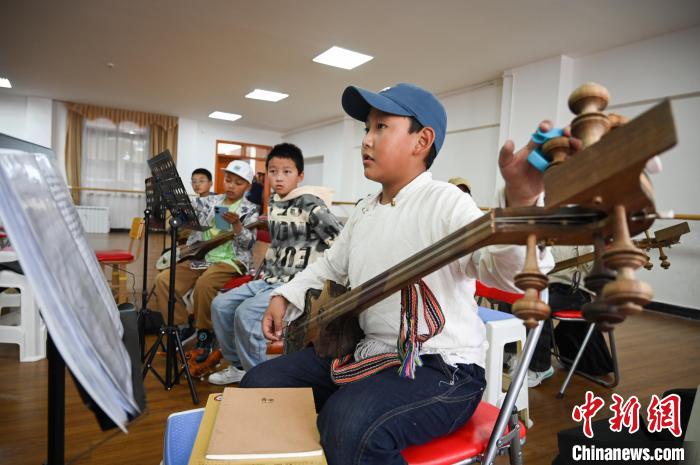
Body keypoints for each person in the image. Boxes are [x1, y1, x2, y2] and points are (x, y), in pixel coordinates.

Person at [237, 83, 572, 465]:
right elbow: (330, 265)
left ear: (422, 141)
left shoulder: (447, 201)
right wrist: (285, 295)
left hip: (442, 367)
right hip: (369, 353)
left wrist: (522, 201)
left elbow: (504, 272)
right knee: (259, 384)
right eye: (367, 128)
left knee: (347, 424)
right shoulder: (365, 210)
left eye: (381, 127)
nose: (367, 140)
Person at [208, 143, 343, 384]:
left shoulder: (310, 203)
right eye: (273, 171)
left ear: (300, 175)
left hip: (296, 283)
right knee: (220, 305)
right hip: (269, 278)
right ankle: (239, 366)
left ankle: (263, 380)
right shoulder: (274, 201)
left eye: (286, 172)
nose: (279, 178)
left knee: (246, 314)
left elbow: (341, 242)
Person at [153, 160, 258, 364]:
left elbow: (248, 244)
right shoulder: (210, 201)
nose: (231, 186)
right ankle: (182, 328)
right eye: (228, 180)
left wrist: (237, 225)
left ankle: (204, 335)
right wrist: (174, 202)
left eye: (238, 183)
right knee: (164, 280)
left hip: (230, 260)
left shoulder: (250, 209)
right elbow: (186, 211)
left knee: (204, 285)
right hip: (202, 257)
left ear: (247, 186)